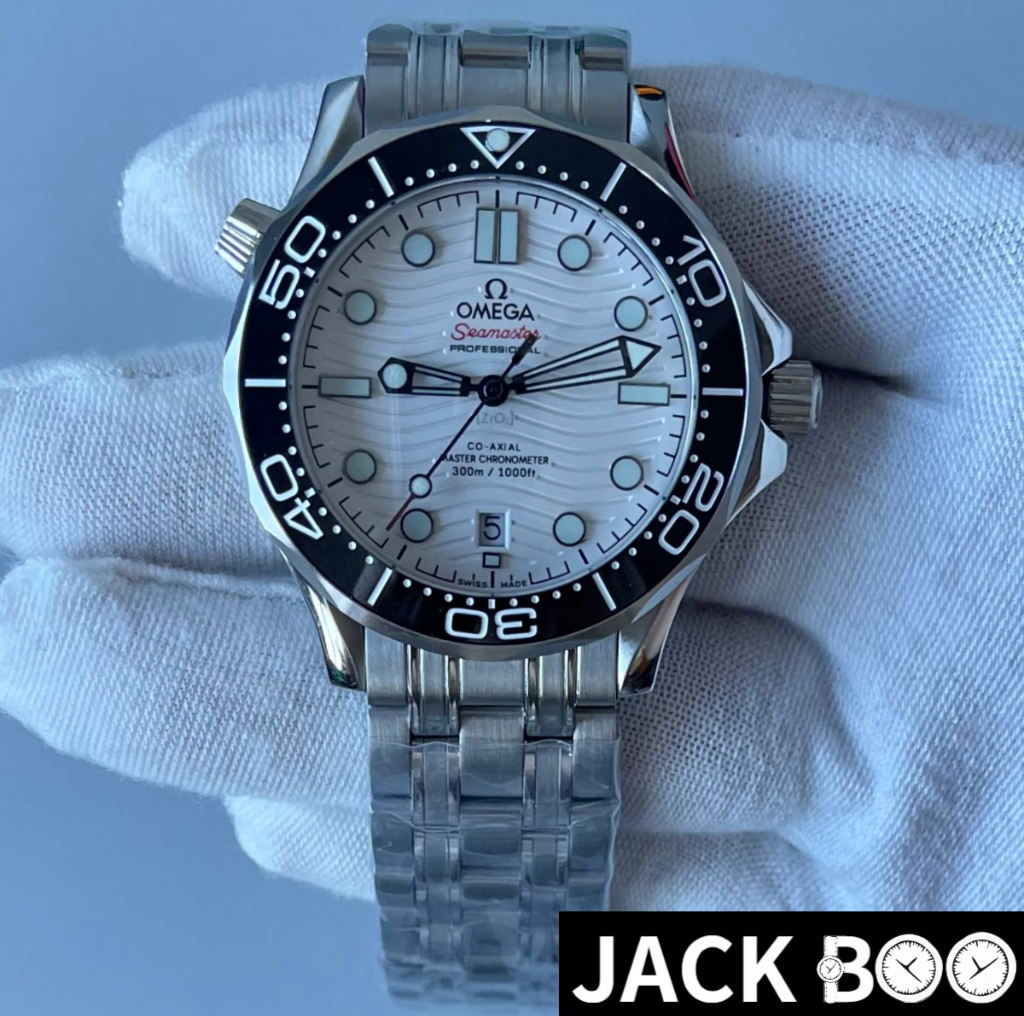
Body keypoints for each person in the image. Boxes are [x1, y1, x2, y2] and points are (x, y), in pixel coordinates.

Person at [1, 64, 1021, 911]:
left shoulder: (746, 398)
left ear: (769, 405)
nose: (492, 389)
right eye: (485, 386)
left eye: (502, 382)